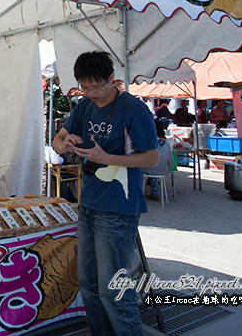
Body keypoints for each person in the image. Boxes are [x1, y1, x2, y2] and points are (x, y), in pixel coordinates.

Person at [52, 51, 158, 336]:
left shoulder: (133, 108)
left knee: (114, 290)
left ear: (112, 79)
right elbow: (57, 140)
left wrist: (106, 158)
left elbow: (151, 158)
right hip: (89, 202)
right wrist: (67, 143)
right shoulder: (85, 106)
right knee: (87, 283)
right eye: (84, 88)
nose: (91, 93)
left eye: (97, 87)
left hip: (119, 207)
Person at [143, 120, 173, 201]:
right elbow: (171, 159)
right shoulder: (166, 143)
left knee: (149, 167)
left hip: (149, 168)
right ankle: (155, 192)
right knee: (155, 166)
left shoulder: (147, 141)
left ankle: (145, 192)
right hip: (164, 170)